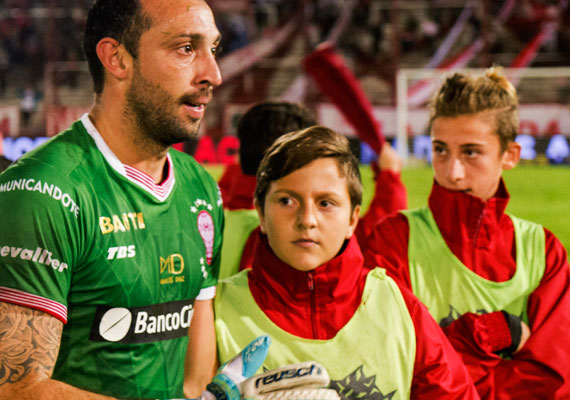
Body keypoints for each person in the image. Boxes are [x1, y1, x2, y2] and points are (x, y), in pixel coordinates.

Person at [0, 0, 224, 398]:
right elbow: (16, 387)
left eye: (213, 49)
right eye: (186, 48)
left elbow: (194, 379)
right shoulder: (41, 191)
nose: (213, 74)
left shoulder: (200, 189)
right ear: (117, 59)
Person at [215, 125, 480, 399]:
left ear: (352, 220)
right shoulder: (215, 312)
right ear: (260, 212)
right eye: (287, 200)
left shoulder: (399, 308)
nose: (307, 219)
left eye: (326, 203)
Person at [363, 67, 570, 399]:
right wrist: (489, 333)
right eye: (441, 150)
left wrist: (449, 376)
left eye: (470, 152)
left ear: (510, 156)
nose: (452, 171)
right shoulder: (393, 240)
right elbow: (394, 369)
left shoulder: (544, 251)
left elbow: (554, 381)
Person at [218, 101, 407, 280]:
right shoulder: (280, 238)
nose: (307, 220)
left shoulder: (214, 220)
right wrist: (390, 177)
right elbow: (376, 235)